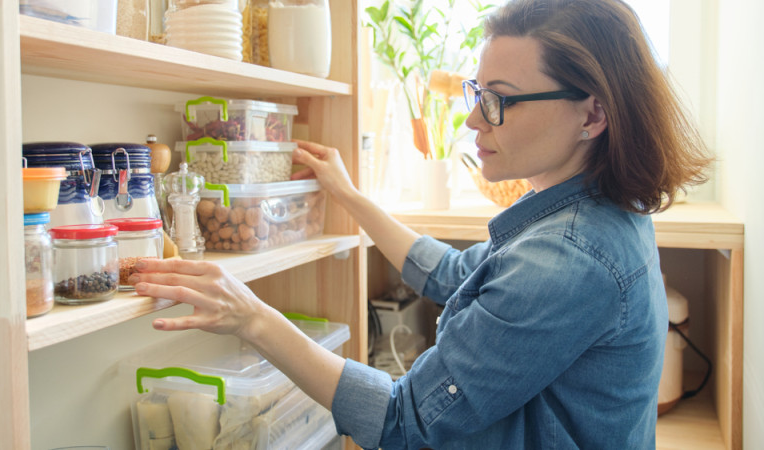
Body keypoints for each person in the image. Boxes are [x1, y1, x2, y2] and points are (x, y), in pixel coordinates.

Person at [130, 0, 712, 448]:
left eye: (500, 100)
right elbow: (457, 274)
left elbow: (404, 422)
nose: (471, 119)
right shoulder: (582, 212)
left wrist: (252, 317)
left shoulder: (566, 257)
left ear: (593, 114)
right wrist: (351, 199)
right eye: (478, 93)